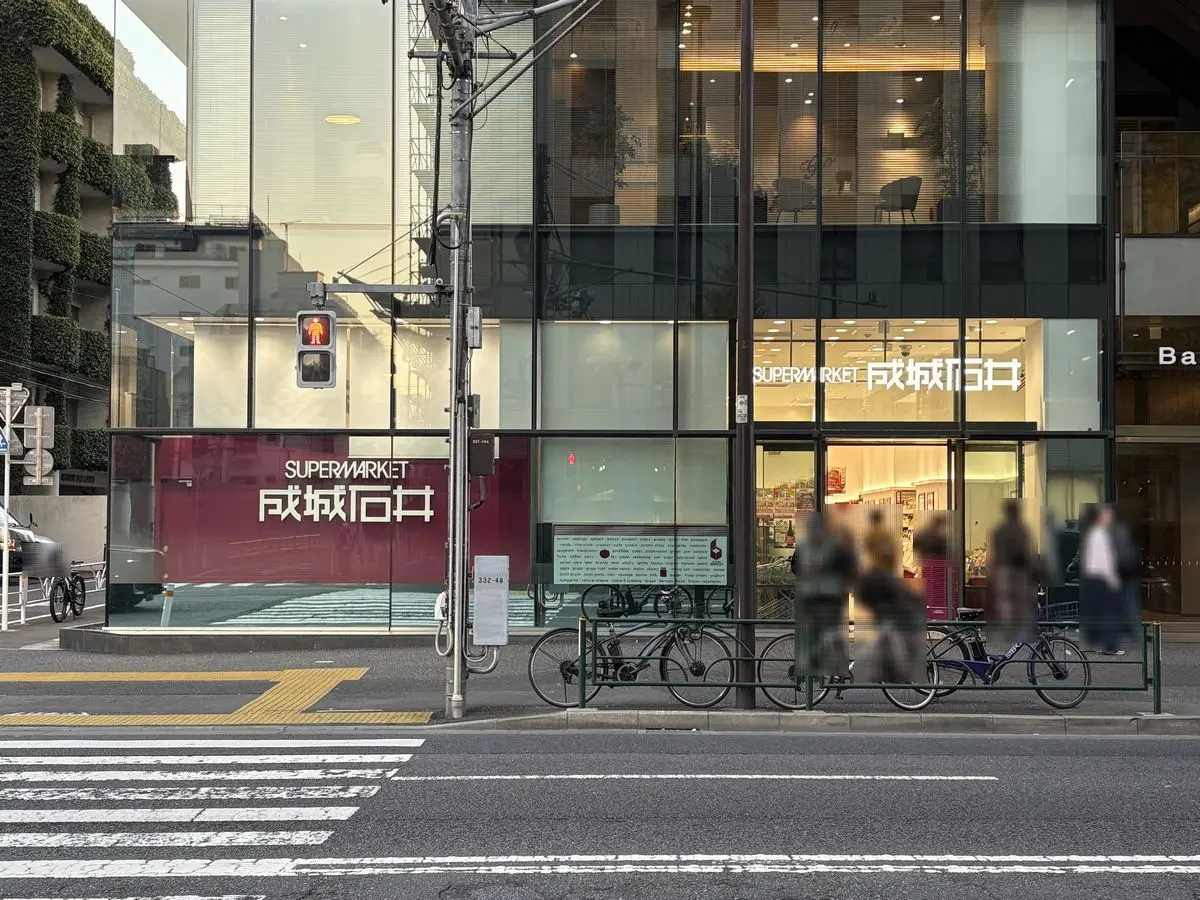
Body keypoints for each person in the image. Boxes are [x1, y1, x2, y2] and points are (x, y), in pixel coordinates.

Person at [857, 508, 923, 683]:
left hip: (876, 587)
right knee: (889, 635)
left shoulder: (871, 536)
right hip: (882, 587)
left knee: (884, 635)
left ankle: (882, 669)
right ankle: (887, 670)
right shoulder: (884, 536)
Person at [790, 512, 856, 681]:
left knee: (828, 633)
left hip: (826, 596)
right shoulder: (806, 547)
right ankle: (820, 670)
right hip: (815, 597)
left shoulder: (832, 546)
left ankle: (829, 668)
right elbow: (795, 567)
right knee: (822, 633)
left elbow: (846, 566)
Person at [987, 499, 1037, 645]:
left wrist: (993, 571)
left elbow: (995, 552)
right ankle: (1019, 632)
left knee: (1007, 602)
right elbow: (1028, 551)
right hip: (1020, 570)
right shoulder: (1022, 529)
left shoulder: (1000, 530)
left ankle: (1010, 631)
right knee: (1020, 601)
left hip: (1005, 569)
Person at [1080, 504, 1124, 655]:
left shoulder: (1094, 533)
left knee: (1098, 612)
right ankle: (1109, 646)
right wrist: (1113, 581)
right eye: (1108, 516)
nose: (1110, 519)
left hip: (1094, 578)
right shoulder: (1100, 535)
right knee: (1108, 613)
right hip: (1101, 579)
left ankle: (1095, 643)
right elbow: (1104, 562)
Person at [913, 513, 951, 620]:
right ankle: (936, 614)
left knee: (928, 591)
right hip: (938, 567)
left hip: (927, 565)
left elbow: (916, 545)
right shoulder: (940, 537)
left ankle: (929, 613)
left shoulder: (923, 534)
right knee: (937, 592)